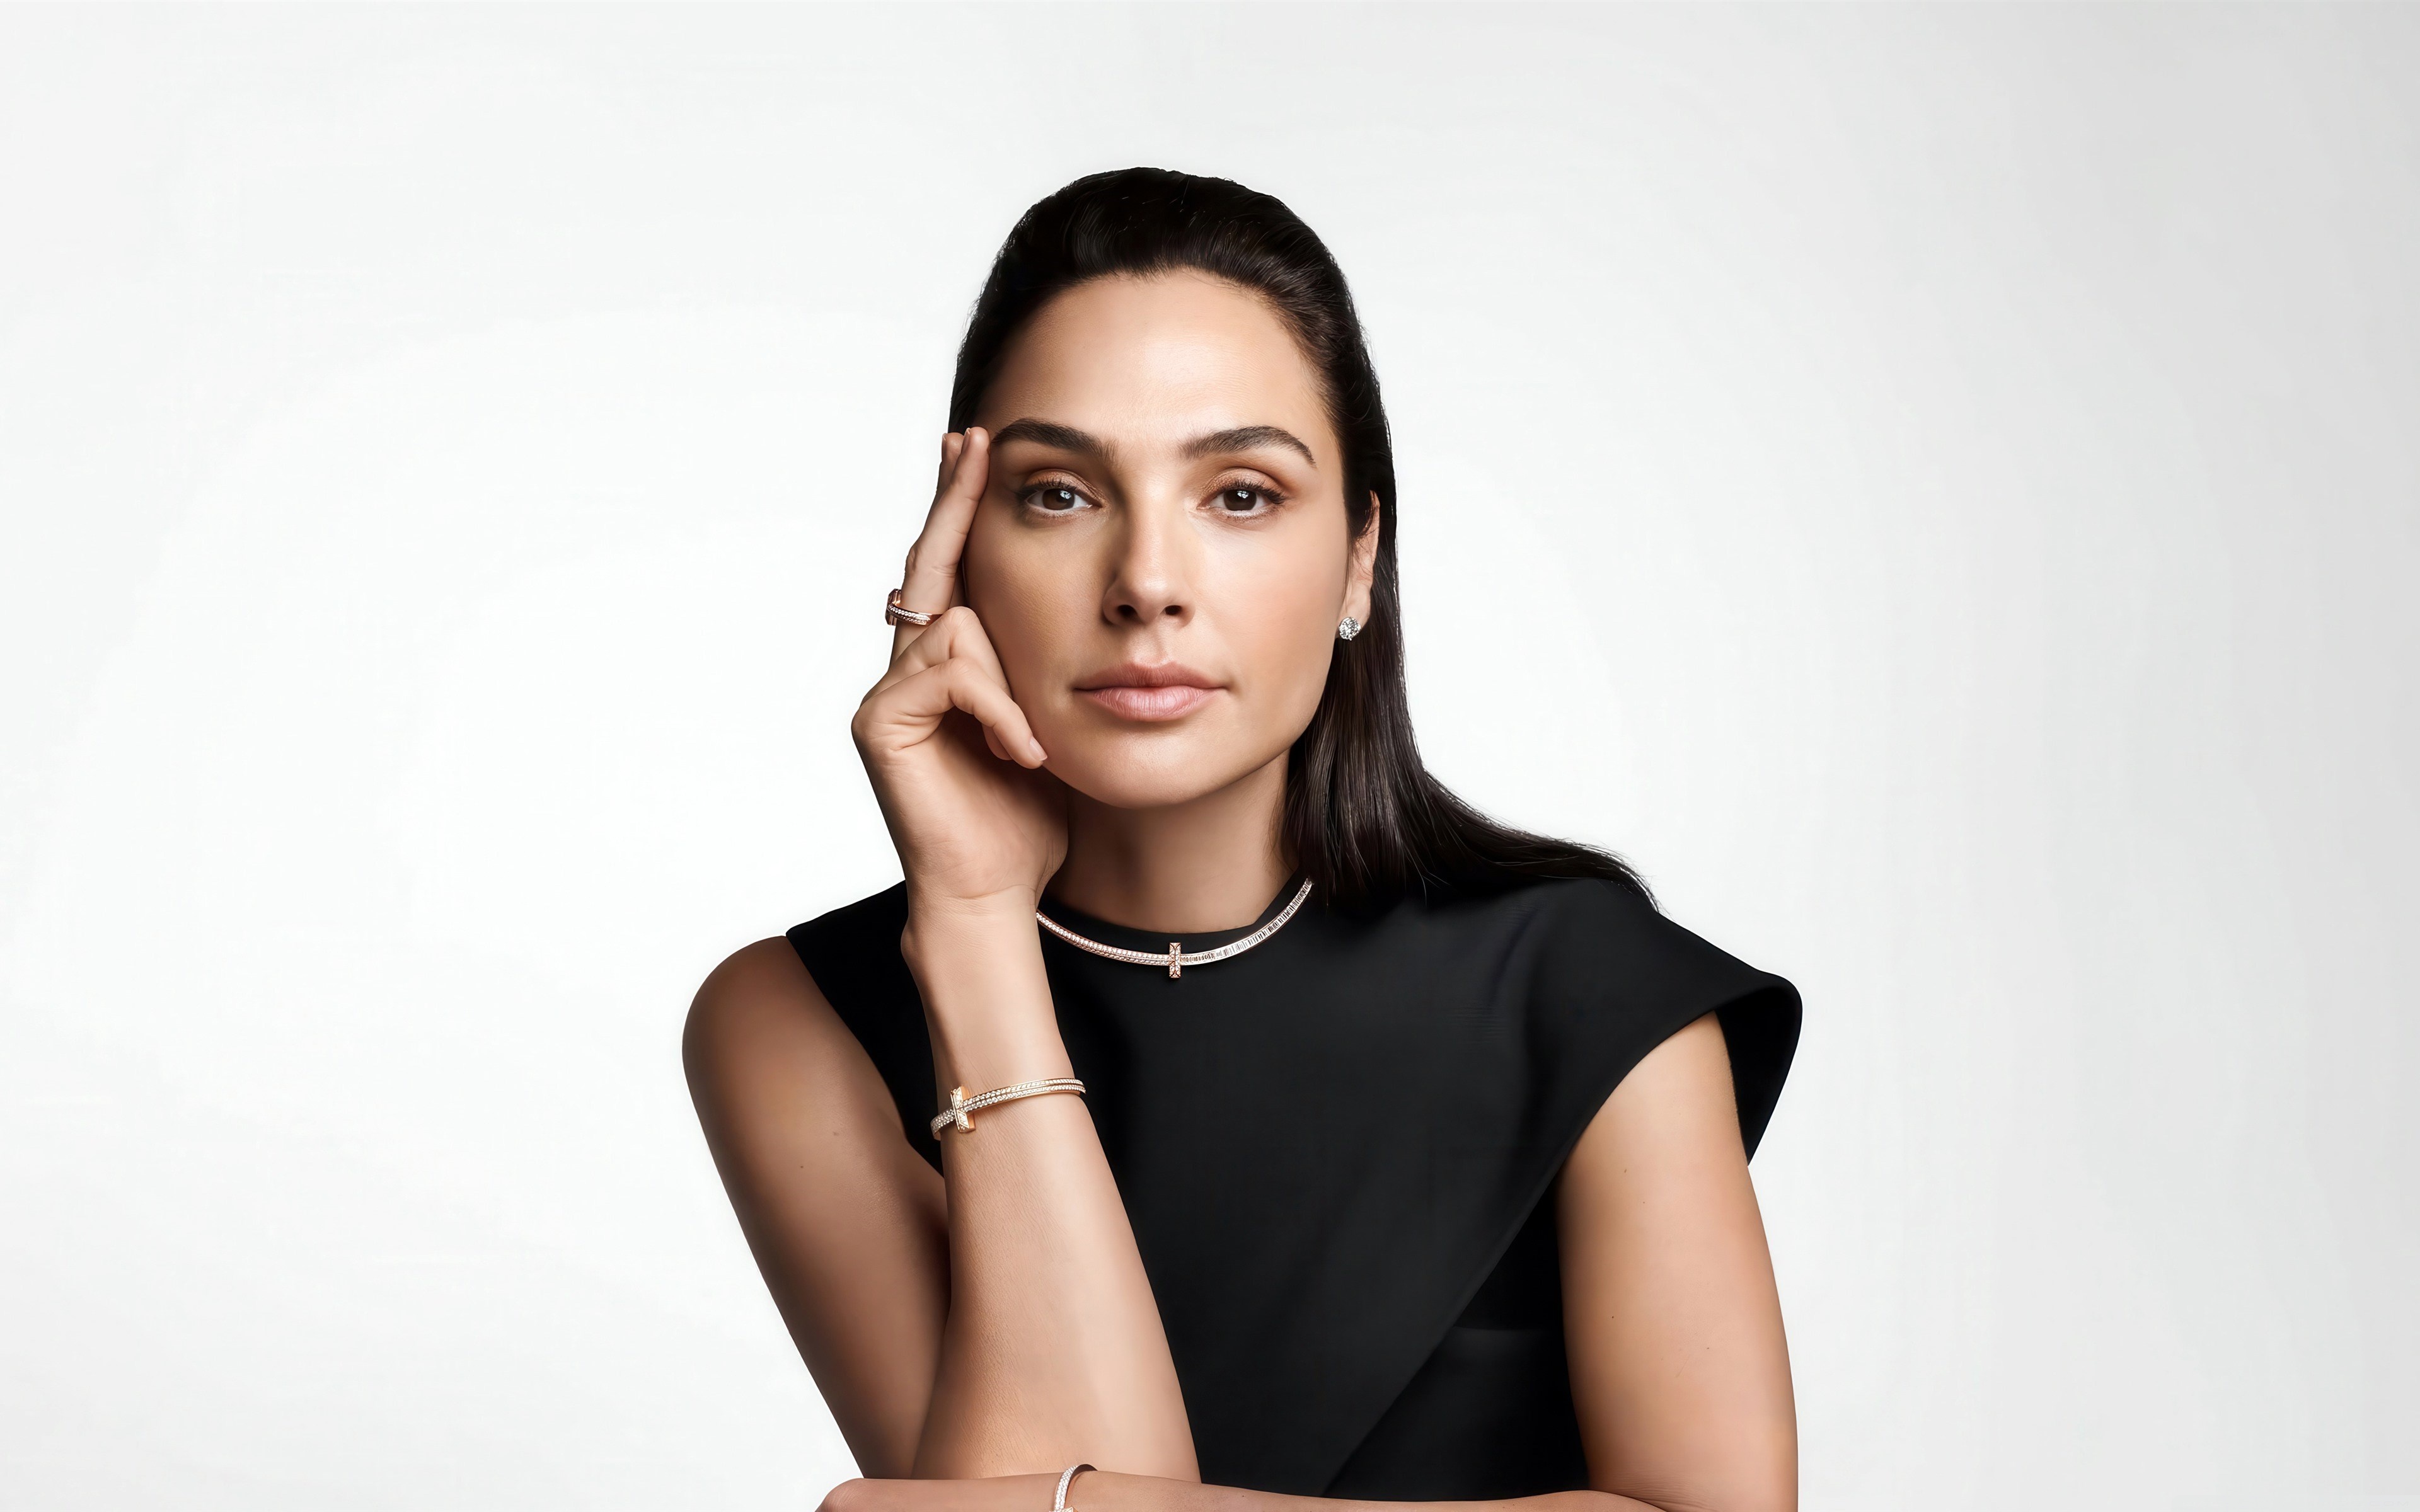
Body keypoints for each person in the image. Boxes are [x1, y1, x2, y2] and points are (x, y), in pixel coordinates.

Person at [684, 168, 1803, 1512]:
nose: (1148, 584)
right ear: (960, 547)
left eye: (1241, 495)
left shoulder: (1586, 991)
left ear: (1359, 558)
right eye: (1059, 494)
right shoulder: (795, 1025)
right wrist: (975, 931)